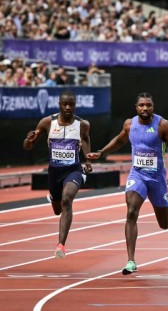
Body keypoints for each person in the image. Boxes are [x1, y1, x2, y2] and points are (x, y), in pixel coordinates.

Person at [86, 92, 168, 275]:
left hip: (157, 178)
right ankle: (131, 261)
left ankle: (161, 203)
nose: (145, 108)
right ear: (136, 107)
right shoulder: (130, 124)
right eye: (141, 105)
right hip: (137, 174)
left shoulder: (163, 125)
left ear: (153, 107)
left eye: (148, 105)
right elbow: (119, 140)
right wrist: (101, 153)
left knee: (164, 224)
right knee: (131, 211)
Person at [22, 90, 93, 258]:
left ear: (75, 105)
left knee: (67, 199)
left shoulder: (82, 124)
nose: (68, 107)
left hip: (73, 170)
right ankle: (53, 197)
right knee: (57, 209)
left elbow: (85, 139)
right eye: (64, 104)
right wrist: (28, 140)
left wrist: (88, 161)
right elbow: (27, 146)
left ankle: (61, 245)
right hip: (54, 172)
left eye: (71, 104)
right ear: (59, 105)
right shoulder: (47, 122)